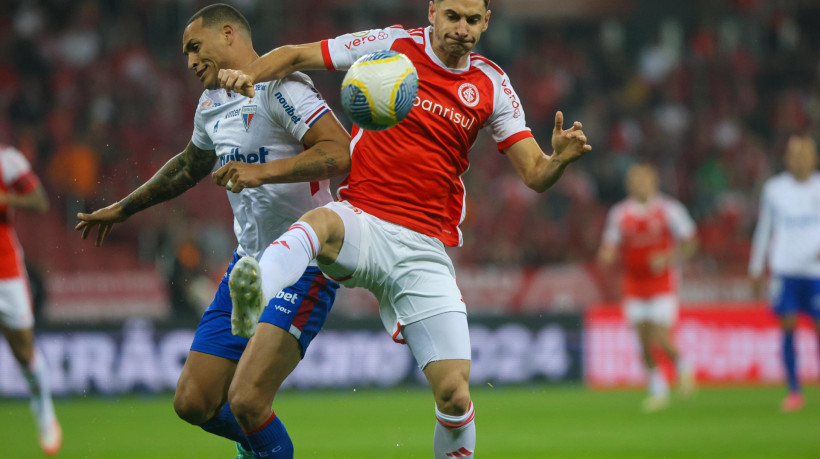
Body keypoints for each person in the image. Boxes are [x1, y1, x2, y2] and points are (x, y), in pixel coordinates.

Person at [216, 0, 591, 456]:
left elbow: (534, 174)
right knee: (319, 223)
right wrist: (248, 75)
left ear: (486, 22)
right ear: (432, 11)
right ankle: (256, 290)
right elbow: (296, 55)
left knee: (455, 395)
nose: (462, 28)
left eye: (472, 20)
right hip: (364, 219)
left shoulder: (491, 84)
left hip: (424, 249)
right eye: (452, 16)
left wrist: (558, 161)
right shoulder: (392, 45)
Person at [75, 4, 351, 458]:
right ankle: (257, 446)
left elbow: (339, 152)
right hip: (247, 269)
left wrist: (263, 172)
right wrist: (124, 209)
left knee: (248, 401)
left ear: (228, 34)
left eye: (194, 47)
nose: (189, 61)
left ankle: (260, 441)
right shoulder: (211, 104)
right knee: (193, 402)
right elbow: (189, 166)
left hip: (305, 263)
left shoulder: (282, 88)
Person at [597, 163, 698, 412]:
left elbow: (691, 243)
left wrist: (668, 257)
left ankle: (683, 369)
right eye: (635, 181)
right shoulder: (620, 213)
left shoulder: (670, 209)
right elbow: (609, 244)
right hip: (633, 283)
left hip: (663, 283)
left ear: (654, 182)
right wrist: (607, 254)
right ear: (629, 185)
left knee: (660, 335)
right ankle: (658, 389)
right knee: (643, 341)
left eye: (644, 180)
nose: (639, 185)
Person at [749, 134, 820, 413]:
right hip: (784, 269)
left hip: (815, 272)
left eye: (804, 154)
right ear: (787, 159)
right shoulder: (775, 189)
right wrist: (756, 268)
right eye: (794, 154)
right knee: (787, 325)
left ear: (814, 158)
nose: (799, 159)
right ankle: (793, 389)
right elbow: (764, 228)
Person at [0, 143, 59, 455]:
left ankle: (43, 408)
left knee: (23, 350)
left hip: (5, 269)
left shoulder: (7, 160)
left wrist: (6, 198)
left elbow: (39, 201)